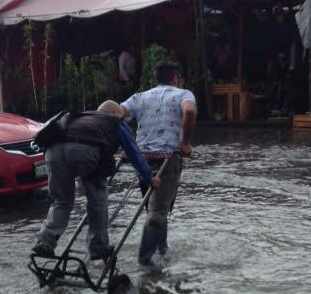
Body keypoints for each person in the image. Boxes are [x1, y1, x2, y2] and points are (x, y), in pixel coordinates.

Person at [33, 101, 160, 260]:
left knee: (62, 201)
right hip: (84, 152)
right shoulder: (116, 122)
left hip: (52, 152)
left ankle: (45, 241)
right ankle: (98, 247)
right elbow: (134, 154)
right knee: (97, 201)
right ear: (116, 114)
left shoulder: (81, 117)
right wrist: (149, 179)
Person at [121, 60, 197, 266]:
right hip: (167, 158)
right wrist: (186, 143)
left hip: (141, 160)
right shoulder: (184, 94)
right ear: (175, 79)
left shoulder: (140, 97)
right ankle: (145, 264)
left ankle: (162, 250)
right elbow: (189, 111)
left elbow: (116, 113)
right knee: (157, 212)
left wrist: (124, 143)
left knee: (154, 207)